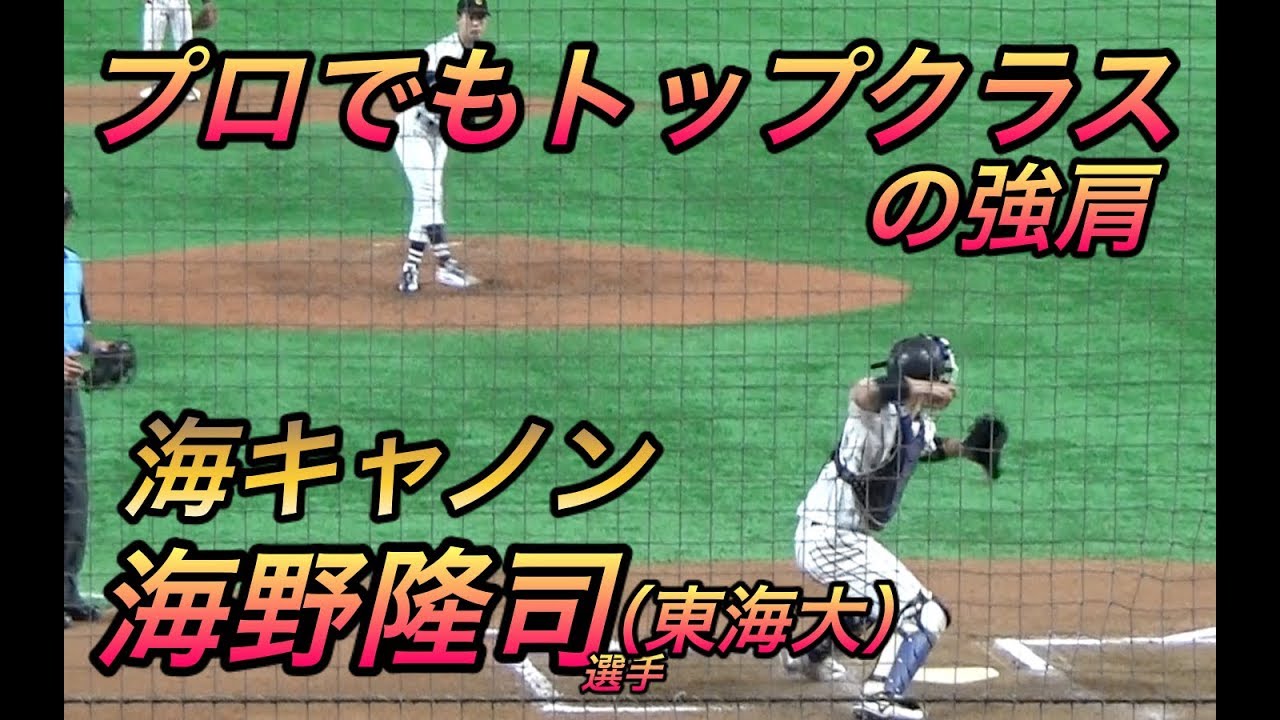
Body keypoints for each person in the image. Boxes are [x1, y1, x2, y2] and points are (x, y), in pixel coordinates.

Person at [782, 334, 1006, 720]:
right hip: (831, 538)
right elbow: (863, 391)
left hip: (837, 536)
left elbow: (925, 446)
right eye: (942, 376)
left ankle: (808, 655)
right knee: (924, 612)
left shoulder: (913, 420)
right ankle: (881, 696)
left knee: (866, 604)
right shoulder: (875, 417)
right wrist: (918, 387)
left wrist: (967, 449)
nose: (949, 383)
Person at [392, 0, 492, 293]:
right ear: (459, 18)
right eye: (471, 17)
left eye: (481, 18)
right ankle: (443, 264)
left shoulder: (479, 58)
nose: (476, 23)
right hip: (413, 130)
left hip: (439, 135)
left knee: (430, 198)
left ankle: (413, 269)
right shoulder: (439, 53)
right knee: (428, 195)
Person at [64, 186, 112, 629]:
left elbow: (78, 328)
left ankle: (66, 590)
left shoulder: (72, 263)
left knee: (73, 491)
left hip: (67, 398)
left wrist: (98, 348)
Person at [138, 0, 216, 102]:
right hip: (155, 3)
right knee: (150, 48)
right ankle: (157, 85)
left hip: (180, 4)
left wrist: (207, 2)